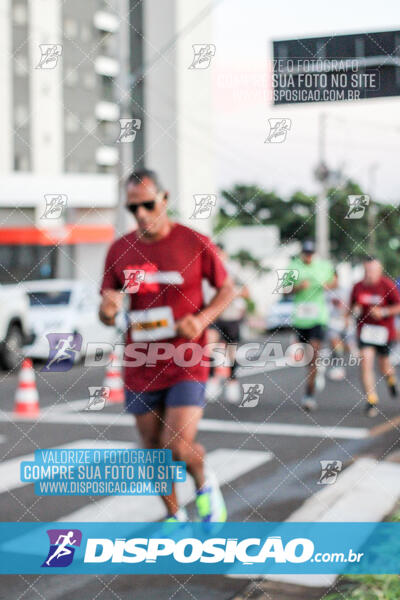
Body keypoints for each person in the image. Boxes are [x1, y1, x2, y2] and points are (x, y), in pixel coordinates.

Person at [99, 169, 234, 522]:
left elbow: (227, 290)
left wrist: (202, 320)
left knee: (177, 445)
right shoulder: (119, 250)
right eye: (133, 208)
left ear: (164, 198)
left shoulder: (194, 242)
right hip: (140, 362)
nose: (141, 213)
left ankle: (204, 483)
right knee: (154, 452)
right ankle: (175, 518)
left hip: (186, 358)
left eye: (147, 204)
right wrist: (108, 308)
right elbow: (108, 304)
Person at [348, 257, 400, 417]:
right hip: (365, 332)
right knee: (365, 362)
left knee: (384, 366)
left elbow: (398, 306)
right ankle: (371, 400)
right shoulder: (358, 287)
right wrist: (354, 311)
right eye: (367, 271)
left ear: (379, 270)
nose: (369, 274)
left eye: (372, 271)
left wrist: (383, 312)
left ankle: (391, 380)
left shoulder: (387, 285)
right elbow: (351, 308)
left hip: (384, 332)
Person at [288, 240, 336, 411]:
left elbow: (334, 281)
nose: (308, 256)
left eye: (311, 253)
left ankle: (309, 394)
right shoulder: (293, 266)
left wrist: (327, 286)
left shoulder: (323, 266)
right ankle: (316, 371)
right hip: (300, 318)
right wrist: (298, 287)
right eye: (306, 253)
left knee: (313, 353)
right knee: (308, 357)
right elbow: (285, 288)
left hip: (318, 317)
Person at [206, 243, 249, 404]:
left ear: (225, 254)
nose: (217, 256)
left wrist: (233, 293)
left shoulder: (232, 270)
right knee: (209, 347)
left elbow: (246, 291)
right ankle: (212, 380)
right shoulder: (207, 270)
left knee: (231, 352)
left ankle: (232, 381)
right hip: (213, 316)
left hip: (231, 316)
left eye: (219, 253)